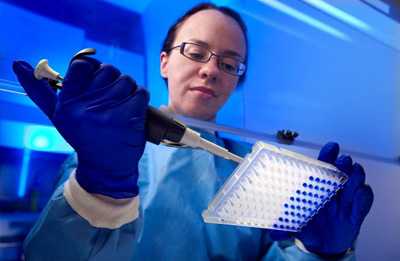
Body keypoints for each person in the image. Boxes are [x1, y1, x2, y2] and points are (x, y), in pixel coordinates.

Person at [12, 3, 374, 260]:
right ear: (165, 62)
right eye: (196, 51)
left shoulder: (253, 171)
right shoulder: (105, 146)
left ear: (236, 79)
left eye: (230, 63)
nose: (211, 70)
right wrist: (96, 194)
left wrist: (315, 254)